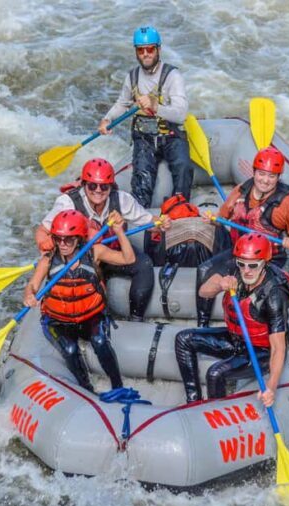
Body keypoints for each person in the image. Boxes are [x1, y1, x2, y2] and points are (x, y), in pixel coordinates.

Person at [35, 158, 171, 321]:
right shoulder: (67, 203)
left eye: (104, 186)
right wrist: (45, 243)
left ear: (110, 186)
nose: (98, 190)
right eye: (92, 185)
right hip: (83, 258)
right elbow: (42, 231)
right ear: (84, 184)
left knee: (144, 265)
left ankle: (136, 318)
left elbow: (150, 223)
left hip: (113, 252)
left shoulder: (121, 200)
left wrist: (162, 222)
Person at [174, 233, 289, 405]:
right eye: (242, 264)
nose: (246, 271)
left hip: (261, 351)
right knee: (183, 339)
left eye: (253, 266)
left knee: (215, 373)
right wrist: (220, 284)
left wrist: (271, 387)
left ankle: (214, 412)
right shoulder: (235, 268)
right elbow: (203, 291)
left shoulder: (274, 295)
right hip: (236, 339)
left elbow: (278, 348)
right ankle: (193, 401)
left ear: (265, 262)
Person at [195, 146, 289, 327]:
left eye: (271, 176)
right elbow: (221, 219)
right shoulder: (241, 191)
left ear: (278, 177)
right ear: (254, 172)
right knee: (203, 270)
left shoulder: (287, 203)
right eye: (261, 174)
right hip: (243, 252)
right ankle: (203, 323)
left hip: (272, 257)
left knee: (261, 294)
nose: (265, 180)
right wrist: (211, 219)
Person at [24, 210, 134, 392]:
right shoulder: (48, 260)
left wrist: (119, 231)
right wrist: (29, 295)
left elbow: (128, 258)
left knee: (100, 342)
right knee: (70, 350)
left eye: (69, 239)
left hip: (90, 316)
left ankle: (117, 386)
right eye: (58, 239)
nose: (63, 244)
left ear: (79, 238)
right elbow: (33, 286)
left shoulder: (94, 252)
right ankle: (86, 388)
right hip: (57, 320)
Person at [98, 26, 193, 208]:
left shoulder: (173, 76)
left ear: (158, 49)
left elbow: (181, 114)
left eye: (150, 49)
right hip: (144, 138)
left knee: (183, 167)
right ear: (136, 52)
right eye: (141, 50)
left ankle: (181, 209)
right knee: (142, 179)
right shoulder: (132, 77)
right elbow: (122, 104)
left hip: (172, 136)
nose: (146, 54)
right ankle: (140, 218)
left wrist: (156, 106)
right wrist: (107, 119)